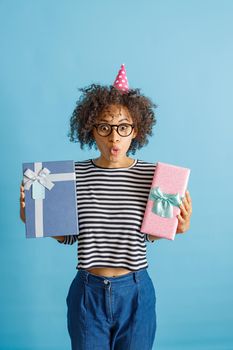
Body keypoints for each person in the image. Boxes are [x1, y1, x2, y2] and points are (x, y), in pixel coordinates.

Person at [20, 64, 192, 350]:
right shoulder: (69, 177)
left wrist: (178, 227)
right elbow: (70, 237)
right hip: (87, 293)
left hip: (136, 291)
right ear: (91, 129)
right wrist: (37, 218)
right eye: (105, 127)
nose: (114, 138)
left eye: (123, 127)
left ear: (136, 130)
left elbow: (149, 234)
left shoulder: (156, 177)